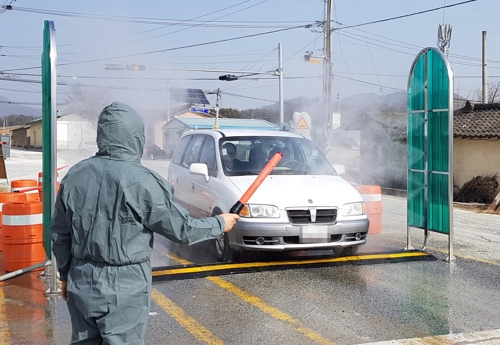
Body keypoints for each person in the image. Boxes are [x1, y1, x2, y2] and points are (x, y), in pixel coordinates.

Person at [50, 102, 239, 345]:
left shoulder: (76, 174)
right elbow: (182, 229)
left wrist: (66, 275)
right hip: (124, 284)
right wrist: (218, 224)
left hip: (81, 278)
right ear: (136, 136)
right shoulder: (144, 181)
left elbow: (60, 234)